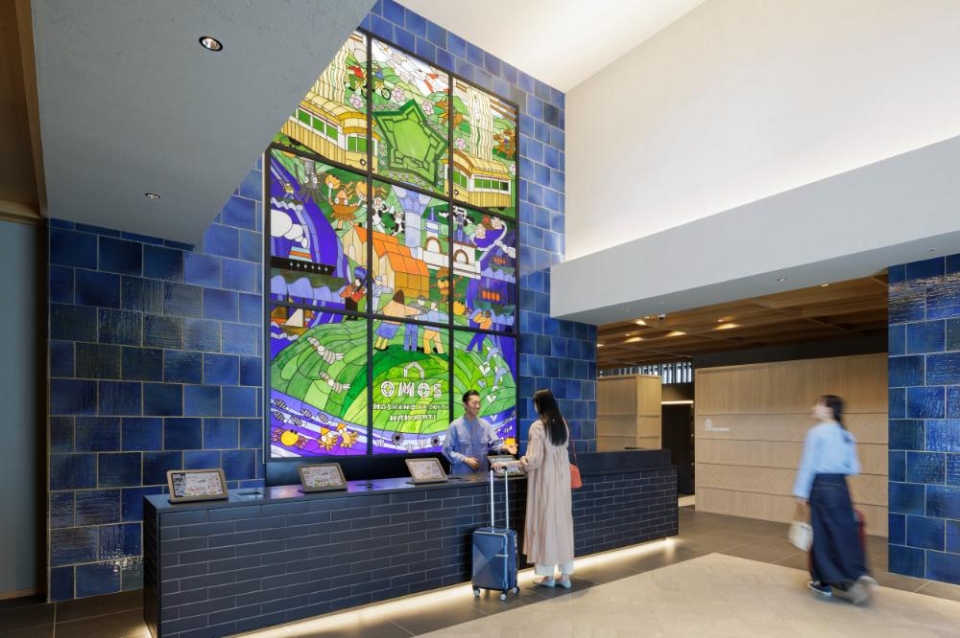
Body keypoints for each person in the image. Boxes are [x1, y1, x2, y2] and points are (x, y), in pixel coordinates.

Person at [793, 394, 877, 604]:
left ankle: (823, 582)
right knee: (843, 533)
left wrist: (801, 492)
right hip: (841, 488)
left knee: (822, 536)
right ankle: (856, 575)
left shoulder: (816, 433)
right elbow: (854, 469)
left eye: (818, 404)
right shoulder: (846, 435)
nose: (814, 407)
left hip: (821, 487)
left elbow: (808, 464)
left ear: (829, 410)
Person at [518, 388, 575, 589]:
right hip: (562, 481)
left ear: (539, 404)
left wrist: (522, 461)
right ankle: (565, 576)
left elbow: (534, 460)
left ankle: (548, 576)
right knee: (562, 525)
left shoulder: (537, 427)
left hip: (545, 482)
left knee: (545, 525)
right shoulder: (563, 424)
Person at [443, 390, 517, 474]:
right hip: (461, 476)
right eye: (474, 403)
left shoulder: (485, 425)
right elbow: (447, 450)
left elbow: (496, 444)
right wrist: (465, 459)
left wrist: (506, 447)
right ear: (465, 404)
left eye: (479, 403)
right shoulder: (455, 426)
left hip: (482, 475)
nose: (478, 406)